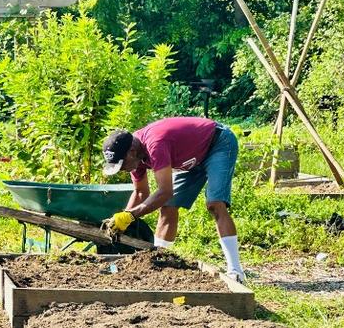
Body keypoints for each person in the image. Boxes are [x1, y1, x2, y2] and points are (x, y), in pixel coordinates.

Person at [101, 117, 244, 281]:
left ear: (131, 152)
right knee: (168, 206)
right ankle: (159, 261)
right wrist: (122, 218)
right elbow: (141, 192)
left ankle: (236, 271)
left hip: (217, 143)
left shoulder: (155, 144)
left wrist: (131, 215)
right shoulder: (135, 154)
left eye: (122, 164)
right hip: (191, 157)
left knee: (215, 204)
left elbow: (164, 192)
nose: (122, 170)